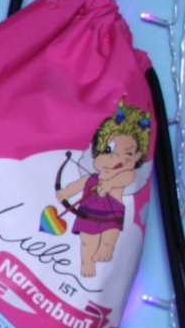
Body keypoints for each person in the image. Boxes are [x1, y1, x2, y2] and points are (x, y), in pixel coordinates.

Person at [56, 99, 151, 278]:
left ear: (136, 157)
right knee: (87, 242)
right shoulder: (91, 177)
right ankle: (87, 262)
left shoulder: (126, 175)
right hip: (88, 214)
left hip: (111, 215)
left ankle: (107, 248)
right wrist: (66, 192)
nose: (115, 158)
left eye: (127, 154)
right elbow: (78, 185)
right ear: (97, 151)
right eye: (109, 150)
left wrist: (110, 184)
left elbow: (127, 177)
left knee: (109, 238)